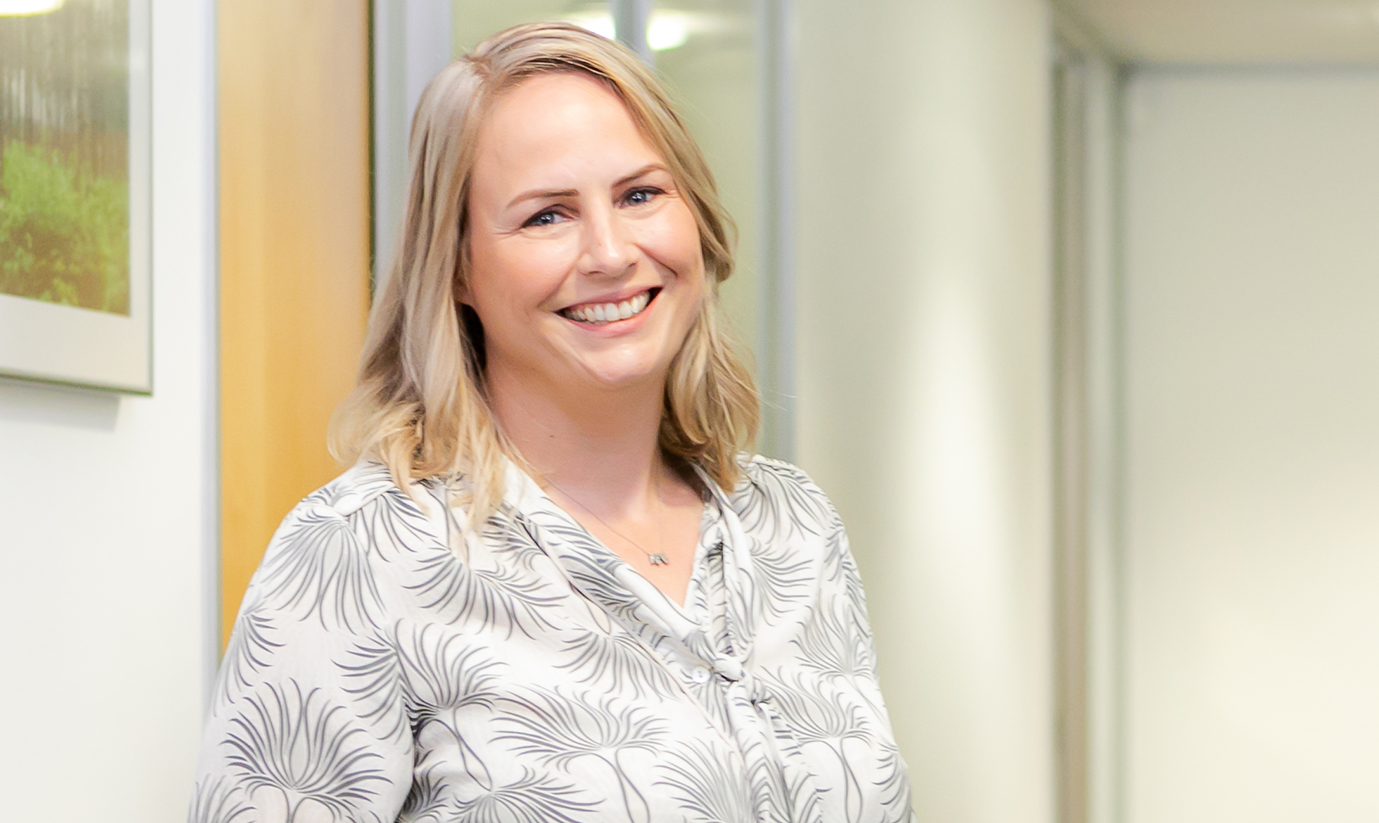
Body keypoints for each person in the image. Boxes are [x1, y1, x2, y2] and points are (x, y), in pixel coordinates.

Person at [190, 22, 914, 823]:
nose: (609, 252)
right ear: (457, 267)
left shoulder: (793, 526)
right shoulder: (360, 553)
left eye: (641, 195)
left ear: (696, 222)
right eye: (546, 216)